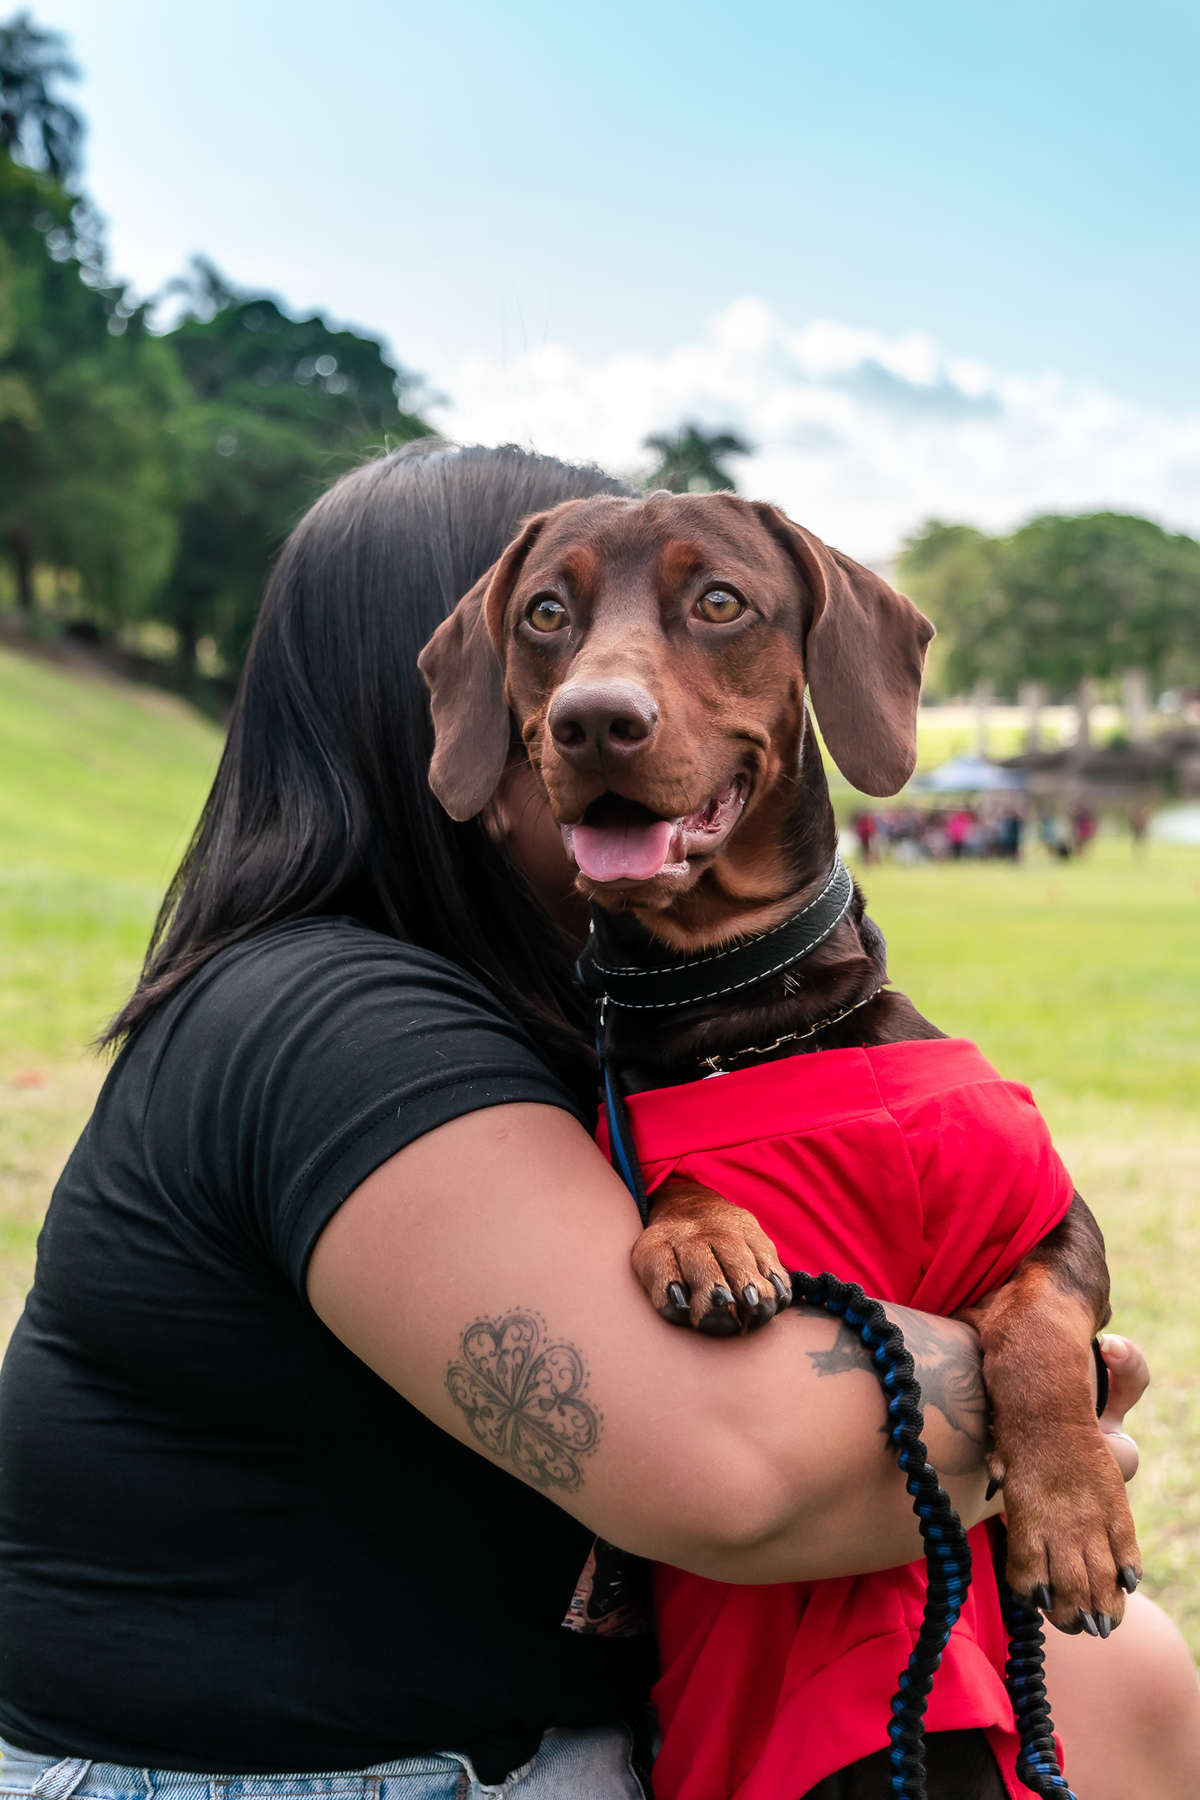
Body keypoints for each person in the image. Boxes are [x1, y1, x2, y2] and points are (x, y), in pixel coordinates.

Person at [0, 444, 1192, 1800]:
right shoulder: (329, 1022)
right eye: (553, 623)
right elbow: (740, 1477)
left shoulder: (591, 1014)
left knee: (1114, 1660)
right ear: (442, 695)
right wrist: (1057, 1393)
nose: (607, 686)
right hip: (317, 1776)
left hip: (544, 1740)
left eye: (698, 610)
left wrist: (1038, 1355)